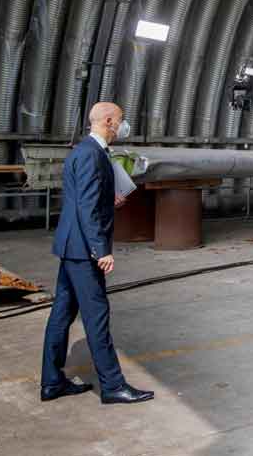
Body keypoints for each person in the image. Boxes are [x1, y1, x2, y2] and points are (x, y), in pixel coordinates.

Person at [40, 102, 154, 405]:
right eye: (121, 120)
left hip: (70, 247)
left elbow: (82, 197)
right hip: (83, 250)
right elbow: (86, 208)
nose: (123, 126)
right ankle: (113, 386)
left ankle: (51, 382)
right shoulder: (93, 154)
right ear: (108, 121)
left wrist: (108, 198)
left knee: (61, 315)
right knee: (97, 316)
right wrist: (100, 250)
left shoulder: (81, 151)